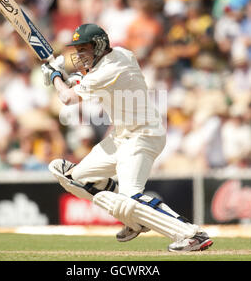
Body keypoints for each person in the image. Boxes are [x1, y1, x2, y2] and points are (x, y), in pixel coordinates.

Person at [40, 23, 213, 252]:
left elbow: (68, 99)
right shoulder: (121, 54)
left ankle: (192, 234)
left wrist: (55, 77)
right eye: (78, 50)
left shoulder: (109, 70)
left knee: (131, 196)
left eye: (84, 49)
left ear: (99, 46)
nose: (80, 56)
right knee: (75, 177)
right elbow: (90, 82)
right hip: (121, 136)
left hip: (143, 135)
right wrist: (68, 79)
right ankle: (134, 220)